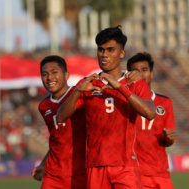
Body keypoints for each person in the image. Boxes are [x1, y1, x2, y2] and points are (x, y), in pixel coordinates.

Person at [56, 26, 156, 189]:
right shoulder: (87, 83)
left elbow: (150, 113)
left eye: (111, 50)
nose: (104, 55)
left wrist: (119, 87)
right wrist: (78, 90)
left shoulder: (134, 82)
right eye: (101, 50)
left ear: (122, 54)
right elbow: (60, 118)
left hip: (126, 167)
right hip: (95, 167)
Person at [31, 55, 87, 189]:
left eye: (54, 72)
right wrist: (44, 163)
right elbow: (57, 138)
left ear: (66, 75)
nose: (49, 78)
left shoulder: (82, 94)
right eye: (45, 74)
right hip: (53, 174)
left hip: (81, 172)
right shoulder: (44, 106)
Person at [127, 52, 176, 189]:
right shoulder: (124, 102)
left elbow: (168, 140)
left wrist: (169, 138)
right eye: (135, 71)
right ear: (128, 75)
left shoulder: (165, 103)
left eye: (144, 70)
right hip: (133, 173)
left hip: (160, 173)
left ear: (152, 74)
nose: (141, 74)